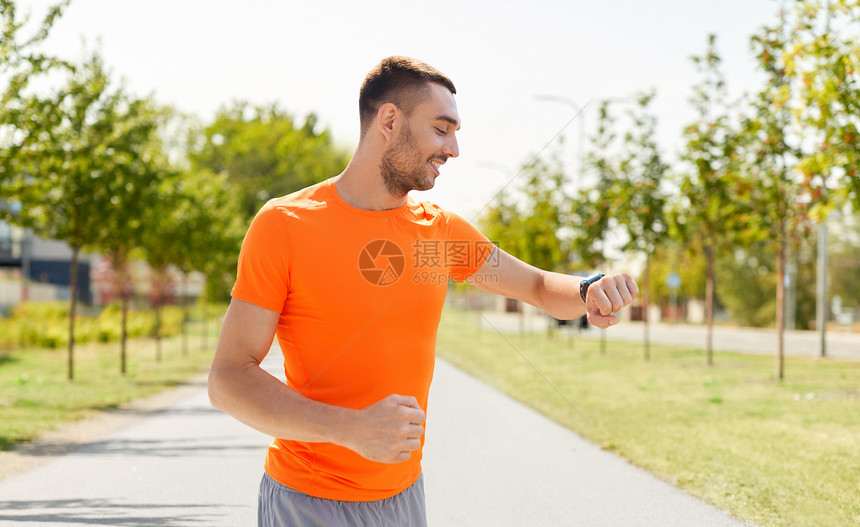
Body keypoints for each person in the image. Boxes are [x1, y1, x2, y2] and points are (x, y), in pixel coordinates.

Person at [208, 56, 639, 527]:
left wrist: (590, 289)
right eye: (441, 129)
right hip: (308, 502)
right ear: (389, 120)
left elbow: (536, 285)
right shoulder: (285, 225)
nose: (453, 149)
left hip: (404, 498)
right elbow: (229, 379)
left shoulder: (440, 236)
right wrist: (349, 429)